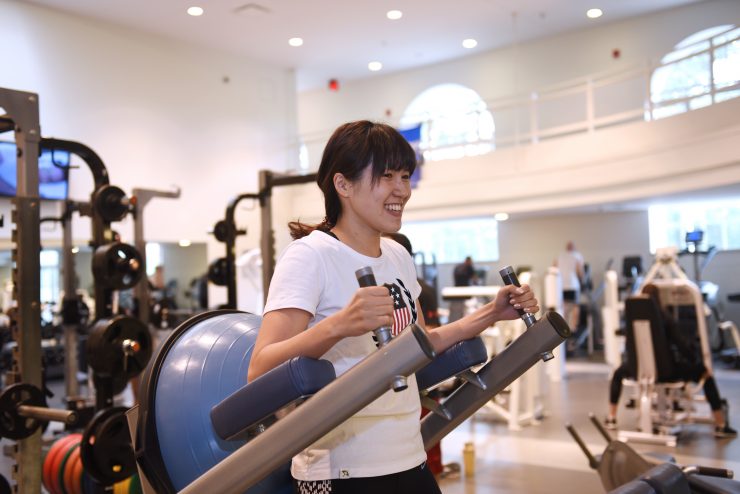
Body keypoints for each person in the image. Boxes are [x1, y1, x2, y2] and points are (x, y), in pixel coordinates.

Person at [247, 120, 539, 493]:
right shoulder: (310, 256)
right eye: (387, 176)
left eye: (405, 176)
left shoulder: (397, 254)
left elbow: (420, 343)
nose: (402, 189)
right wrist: (339, 325)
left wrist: (492, 312)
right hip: (342, 470)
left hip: (407, 455)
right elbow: (261, 368)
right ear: (343, 184)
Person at [605, 283, 736, 438]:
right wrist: (695, 360)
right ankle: (721, 424)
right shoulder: (665, 317)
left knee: (617, 372)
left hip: (637, 370)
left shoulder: (631, 319)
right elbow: (682, 346)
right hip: (667, 371)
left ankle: (611, 417)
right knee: (705, 373)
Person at [556, 241, 585, 331]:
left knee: (564, 305)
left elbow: (553, 267)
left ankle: (563, 326)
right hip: (573, 284)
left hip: (562, 285)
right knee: (575, 305)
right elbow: (580, 271)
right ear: (573, 248)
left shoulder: (560, 256)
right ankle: (573, 327)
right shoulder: (577, 256)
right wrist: (583, 280)